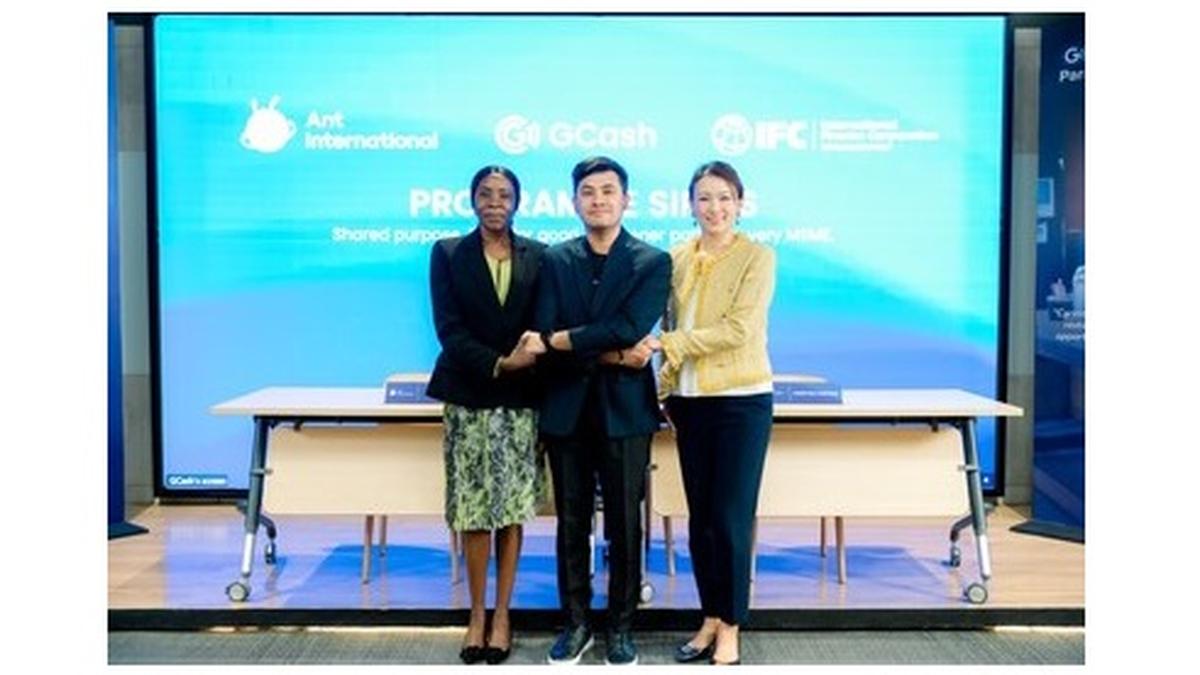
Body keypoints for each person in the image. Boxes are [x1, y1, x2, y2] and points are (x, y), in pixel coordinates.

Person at [529, 156, 670, 666]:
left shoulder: (652, 261)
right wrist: (609, 352)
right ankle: (576, 623)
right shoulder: (554, 259)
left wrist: (566, 341)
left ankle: (620, 627)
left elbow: (630, 325)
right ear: (574, 201)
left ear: (626, 200)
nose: (598, 200)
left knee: (625, 525)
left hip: (625, 411)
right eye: (588, 192)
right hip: (566, 407)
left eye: (608, 191)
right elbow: (545, 332)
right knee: (571, 521)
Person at [642, 161, 775, 666]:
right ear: (691, 204)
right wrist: (664, 390)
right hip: (689, 404)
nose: (714, 208)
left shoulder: (757, 257)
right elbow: (664, 321)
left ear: (740, 203)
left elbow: (739, 330)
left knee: (731, 519)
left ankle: (732, 626)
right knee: (701, 521)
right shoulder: (677, 257)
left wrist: (668, 344)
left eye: (724, 198)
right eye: (704, 198)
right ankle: (710, 617)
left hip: (741, 400)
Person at [425, 165, 547, 665]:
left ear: (517, 202)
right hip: (468, 394)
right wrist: (499, 362)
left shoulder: (539, 255)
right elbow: (449, 330)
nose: (495, 202)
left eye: (504, 195)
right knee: (474, 509)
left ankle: (502, 615)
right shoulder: (448, 252)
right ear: (472, 199)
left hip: (521, 400)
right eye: (486, 194)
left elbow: (543, 323)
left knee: (511, 509)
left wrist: (523, 359)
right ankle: (476, 614)